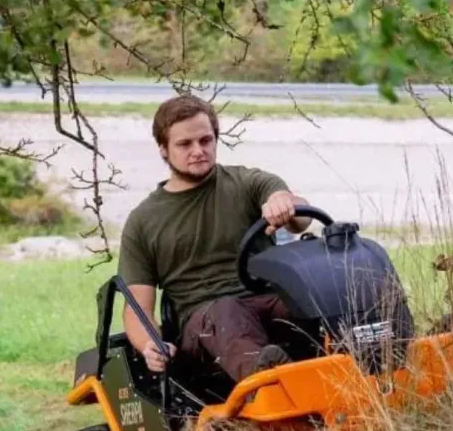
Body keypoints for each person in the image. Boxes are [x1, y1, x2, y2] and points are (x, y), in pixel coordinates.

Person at [116, 94, 312, 381]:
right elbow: (137, 308)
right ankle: (269, 384)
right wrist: (150, 345)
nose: (198, 150)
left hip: (264, 301)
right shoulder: (143, 220)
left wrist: (284, 204)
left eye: (206, 140)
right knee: (226, 310)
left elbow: (300, 218)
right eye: (185, 144)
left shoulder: (247, 182)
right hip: (203, 325)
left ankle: (368, 375)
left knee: (313, 296)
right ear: (163, 150)